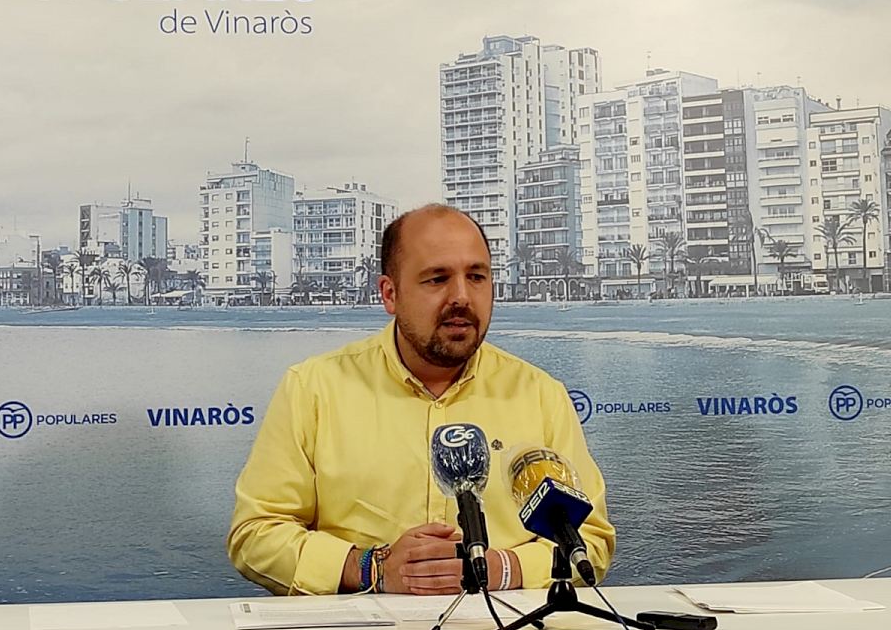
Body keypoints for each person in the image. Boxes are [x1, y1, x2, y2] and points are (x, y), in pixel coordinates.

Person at [227, 204, 614, 595]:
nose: (461, 296)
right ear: (390, 294)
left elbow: (591, 541)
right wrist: (370, 568)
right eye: (437, 279)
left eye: (476, 276)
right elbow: (256, 535)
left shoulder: (541, 396)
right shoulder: (313, 388)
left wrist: (500, 568)